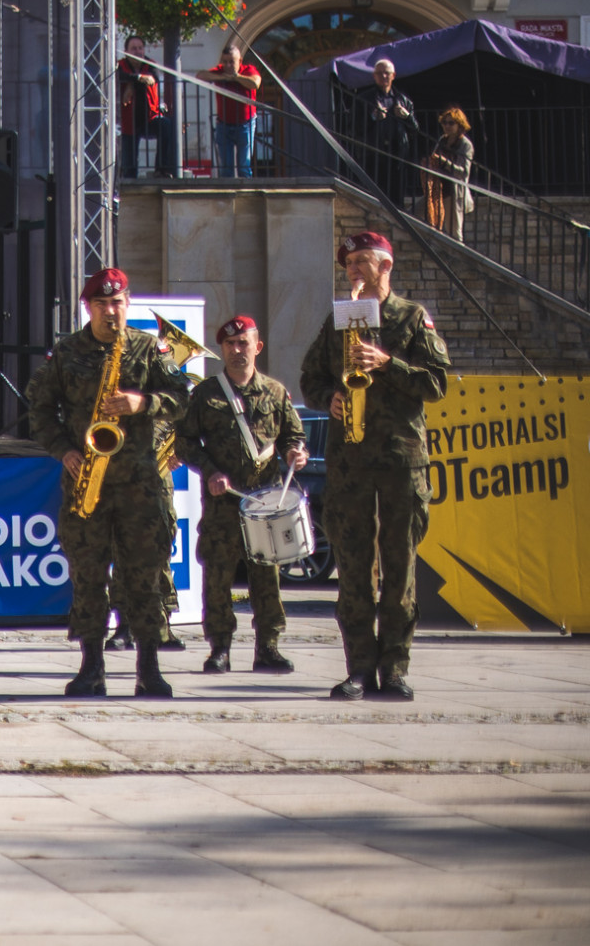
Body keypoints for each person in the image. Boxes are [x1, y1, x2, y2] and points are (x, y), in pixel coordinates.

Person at [25, 269, 191, 698]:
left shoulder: (148, 348)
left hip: (141, 483)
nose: (110, 312)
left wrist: (143, 401)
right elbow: (39, 410)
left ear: (128, 305)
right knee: (88, 575)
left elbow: (183, 399)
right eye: (102, 305)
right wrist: (64, 450)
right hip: (87, 485)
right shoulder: (66, 353)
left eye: (117, 304)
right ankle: (91, 666)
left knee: (145, 576)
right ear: (89, 308)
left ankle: (149, 668)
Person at [300, 231, 451, 701]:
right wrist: (331, 399)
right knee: (354, 568)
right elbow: (310, 378)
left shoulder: (412, 318)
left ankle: (395, 668)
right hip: (351, 464)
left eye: (363, 262)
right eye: (349, 264)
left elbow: (438, 383)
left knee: (400, 566)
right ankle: (359, 668)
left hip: (401, 461)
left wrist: (387, 363)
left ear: (385, 266)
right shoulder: (339, 321)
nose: (354, 271)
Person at [174, 314, 309, 674]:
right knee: (218, 576)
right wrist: (209, 470)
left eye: (244, 343)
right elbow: (184, 442)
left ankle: (268, 647)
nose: (237, 350)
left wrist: (297, 452)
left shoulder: (276, 392)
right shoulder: (205, 394)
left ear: (257, 346)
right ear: (221, 349)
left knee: (267, 576)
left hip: (266, 503)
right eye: (230, 344)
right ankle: (220, 648)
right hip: (224, 501)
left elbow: (293, 436)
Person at [363, 59, 419, 206]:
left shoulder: (403, 101)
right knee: (375, 200)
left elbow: (414, 130)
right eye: (379, 73)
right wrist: (373, 117)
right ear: (374, 76)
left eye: (387, 73)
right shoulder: (364, 99)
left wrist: (407, 117)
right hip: (374, 155)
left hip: (398, 156)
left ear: (393, 75)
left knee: (397, 201)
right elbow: (353, 128)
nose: (384, 76)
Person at [204, 42, 262, 179]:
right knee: (226, 169)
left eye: (231, 62)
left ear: (240, 61)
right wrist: (223, 77)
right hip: (224, 124)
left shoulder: (248, 70)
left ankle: (247, 196)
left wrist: (236, 78)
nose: (228, 65)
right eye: (225, 62)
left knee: (244, 167)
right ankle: (227, 198)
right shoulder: (220, 70)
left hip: (245, 124)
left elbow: (255, 83)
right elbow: (201, 75)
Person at [425, 106, 476, 243]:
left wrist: (445, 162)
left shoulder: (465, 144)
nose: (447, 126)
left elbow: (464, 172)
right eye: (444, 123)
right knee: (422, 216)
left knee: (454, 231)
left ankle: (458, 259)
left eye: (451, 123)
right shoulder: (442, 140)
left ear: (460, 125)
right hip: (438, 189)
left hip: (454, 191)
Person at [117, 35, 163, 180]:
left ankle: (162, 170)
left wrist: (131, 84)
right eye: (134, 48)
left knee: (168, 127)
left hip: (148, 118)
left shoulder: (150, 64)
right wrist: (137, 79)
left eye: (140, 48)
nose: (138, 51)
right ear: (126, 51)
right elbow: (120, 75)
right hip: (128, 121)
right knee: (129, 166)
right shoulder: (120, 65)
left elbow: (152, 77)